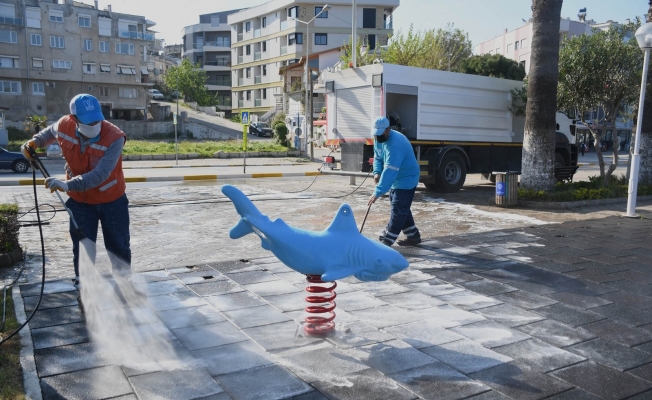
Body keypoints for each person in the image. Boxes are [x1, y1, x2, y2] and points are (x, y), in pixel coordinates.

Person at [22, 94, 131, 286]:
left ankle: (124, 283)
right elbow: (50, 132)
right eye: (88, 121)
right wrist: (35, 142)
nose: (94, 124)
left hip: (112, 201)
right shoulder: (64, 124)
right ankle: (84, 283)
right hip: (80, 202)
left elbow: (100, 174)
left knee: (118, 245)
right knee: (82, 246)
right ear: (74, 118)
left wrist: (67, 185)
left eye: (97, 119)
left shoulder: (115, 137)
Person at [367, 116, 422, 246]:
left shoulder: (396, 144)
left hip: (407, 178)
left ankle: (388, 239)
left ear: (388, 129)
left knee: (399, 208)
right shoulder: (378, 138)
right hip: (396, 179)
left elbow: (390, 171)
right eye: (376, 134)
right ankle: (413, 236)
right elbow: (378, 158)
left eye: (381, 134)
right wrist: (376, 172)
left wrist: (377, 192)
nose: (378, 137)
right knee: (401, 206)